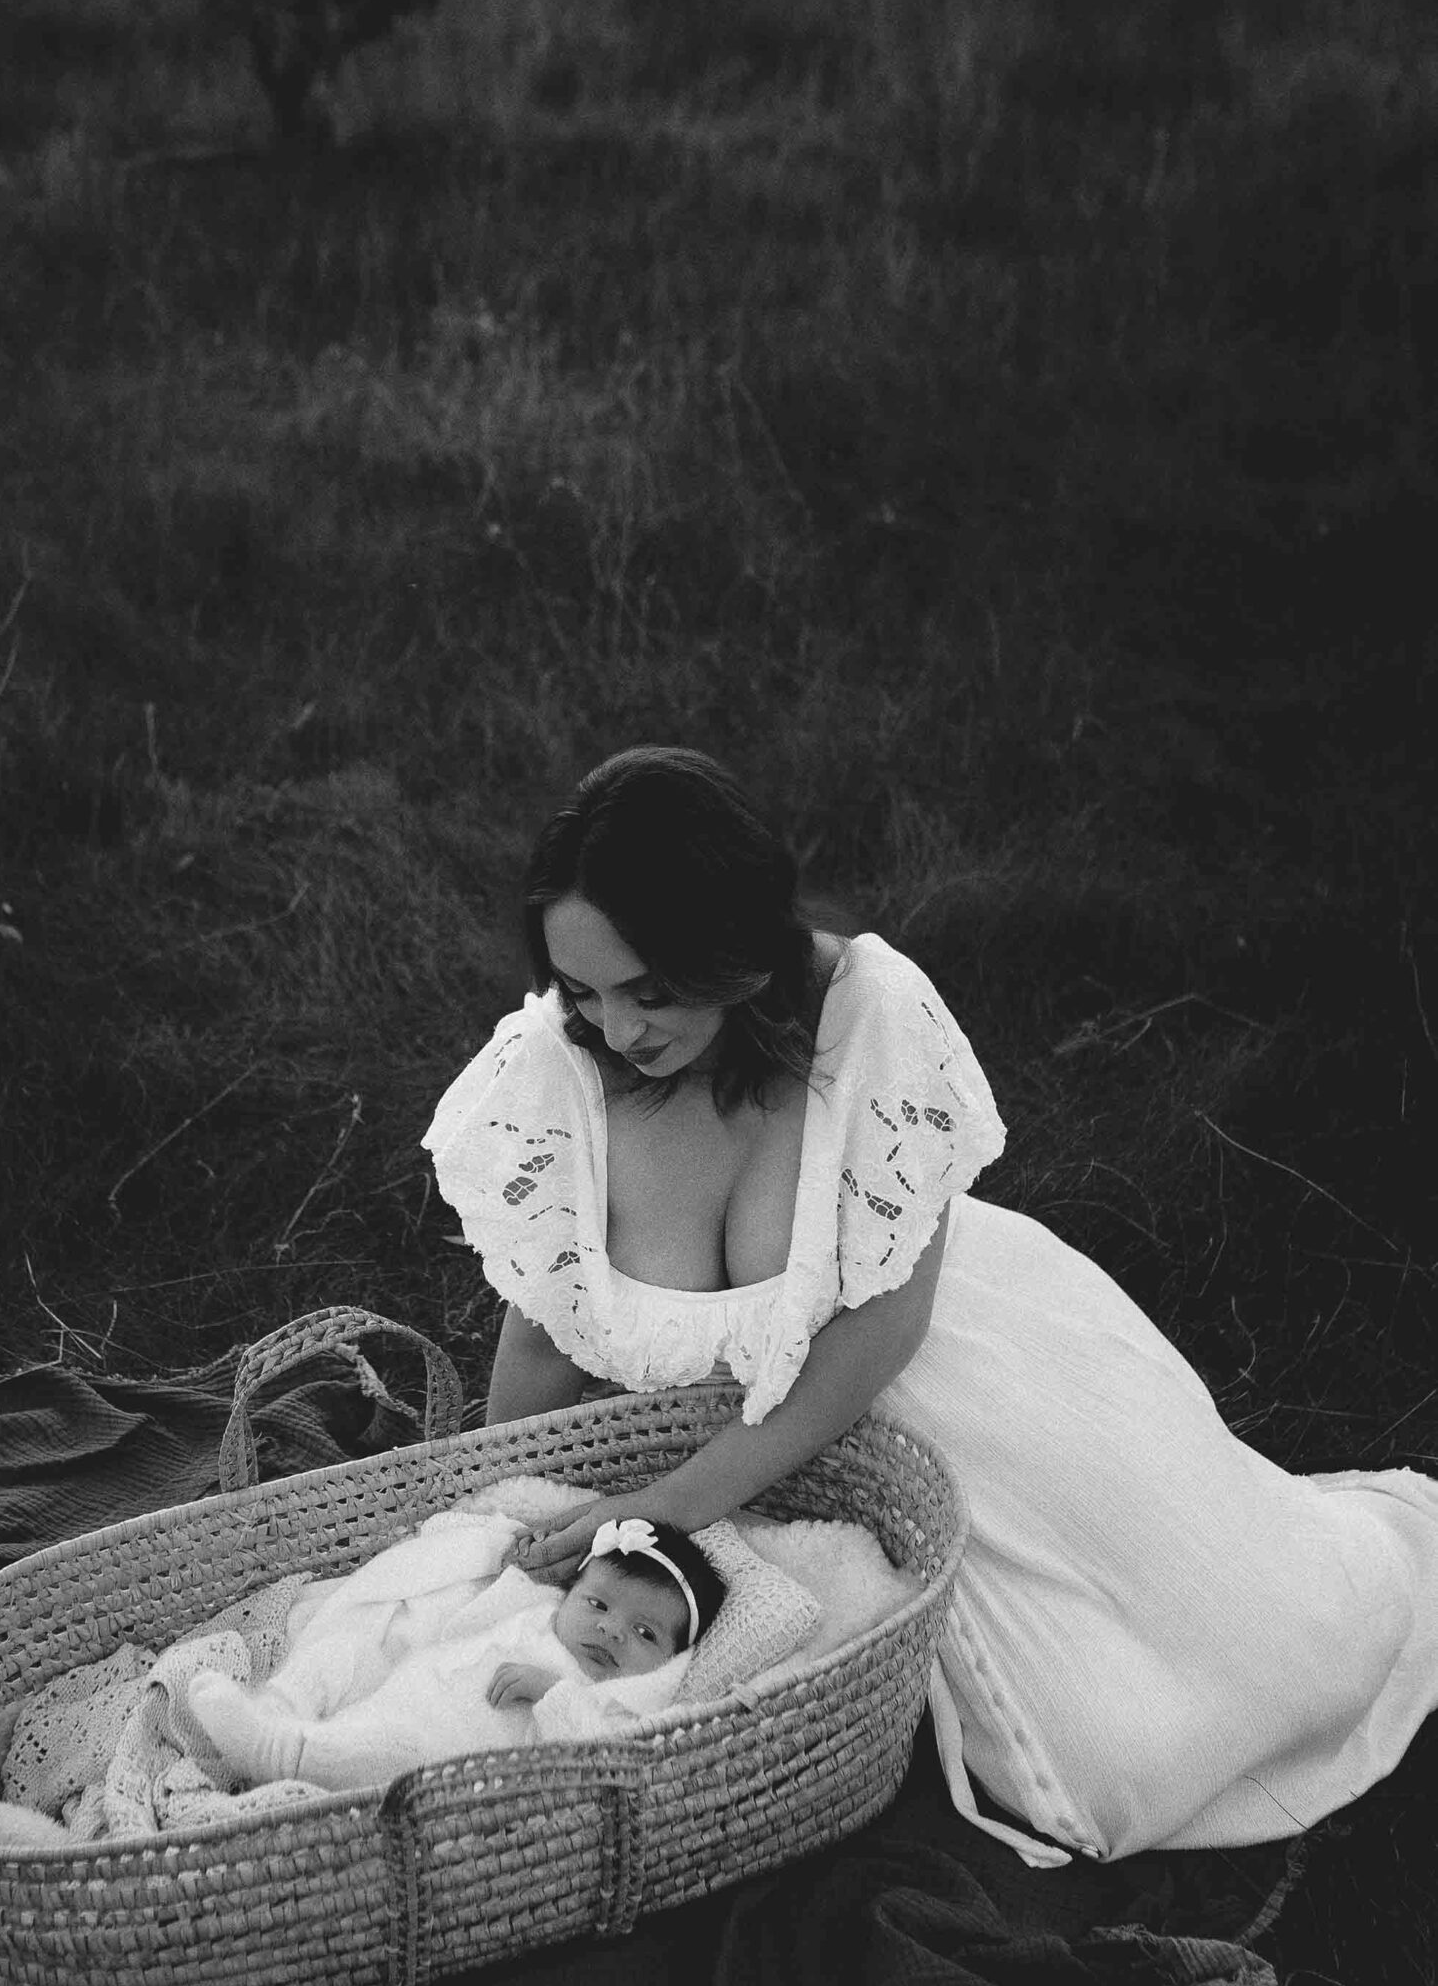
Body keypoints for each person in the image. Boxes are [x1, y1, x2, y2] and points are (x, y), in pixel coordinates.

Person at [424, 746, 1438, 1866]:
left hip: (935, 1387)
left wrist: (672, 1499)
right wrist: (485, 1511)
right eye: (583, 992)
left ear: (732, 949)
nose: (617, 1031)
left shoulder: (867, 1016)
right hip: (725, 1452)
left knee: (1141, 1736)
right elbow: (541, 1320)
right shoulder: (555, 1068)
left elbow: (883, 1329)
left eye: (650, 991)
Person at [187, 1509, 723, 1792]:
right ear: (570, 1595)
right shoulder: (539, 1613)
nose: (611, 1633)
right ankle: (278, 1708)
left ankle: (282, 1757)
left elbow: (603, 1759)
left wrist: (554, 1694)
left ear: (674, 1658)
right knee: (343, 1652)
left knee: (389, 1755)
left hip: (435, 1756)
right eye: (598, 1605)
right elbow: (457, 1615)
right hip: (396, 1695)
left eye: (646, 1633)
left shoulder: (621, 1702)